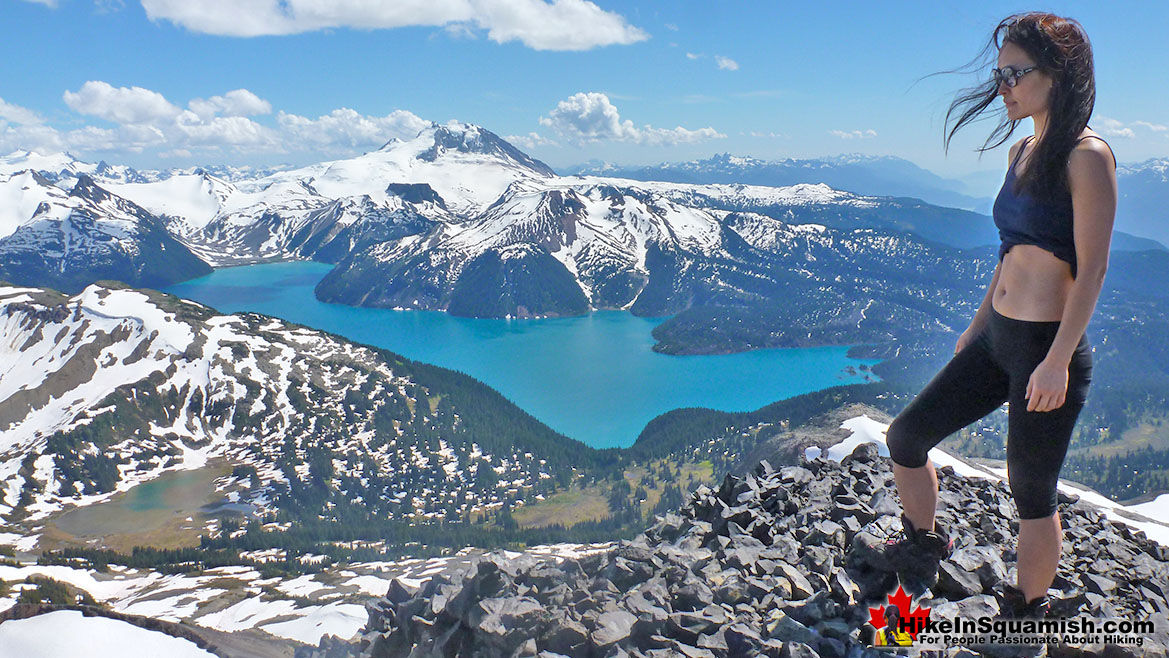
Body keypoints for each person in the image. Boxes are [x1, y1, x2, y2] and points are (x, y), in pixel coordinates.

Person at [880, 12, 1117, 619]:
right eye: (1000, 73)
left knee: (1030, 491)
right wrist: (978, 322)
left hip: (1046, 350)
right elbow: (1010, 249)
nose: (1003, 86)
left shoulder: (1087, 156)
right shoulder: (1021, 149)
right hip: (996, 339)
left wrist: (1058, 361)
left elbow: (1091, 268)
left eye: (1015, 73)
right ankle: (924, 542)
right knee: (905, 437)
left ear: (1057, 75)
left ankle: (1026, 608)